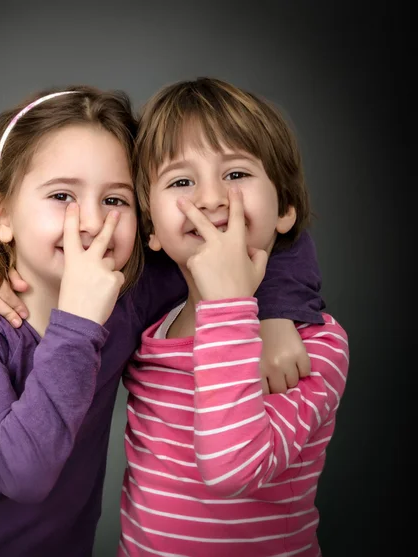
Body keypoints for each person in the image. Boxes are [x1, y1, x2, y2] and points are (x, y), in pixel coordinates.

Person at [0, 84, 325, 557]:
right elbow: (23, 473)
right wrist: (76, 321)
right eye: (62, 195)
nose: (91, 222)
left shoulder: (129, 298)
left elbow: (246, 231)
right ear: (2, 217)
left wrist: (279, 312)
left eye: (116, 200)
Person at [118, 77, 349, 557]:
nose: (210, 198)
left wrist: (231, 305)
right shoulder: (147, 328)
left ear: (285, 208)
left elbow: (232, 469)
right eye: (182, 182)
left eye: (237, 174)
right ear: (151, 229)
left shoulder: (313, 347)